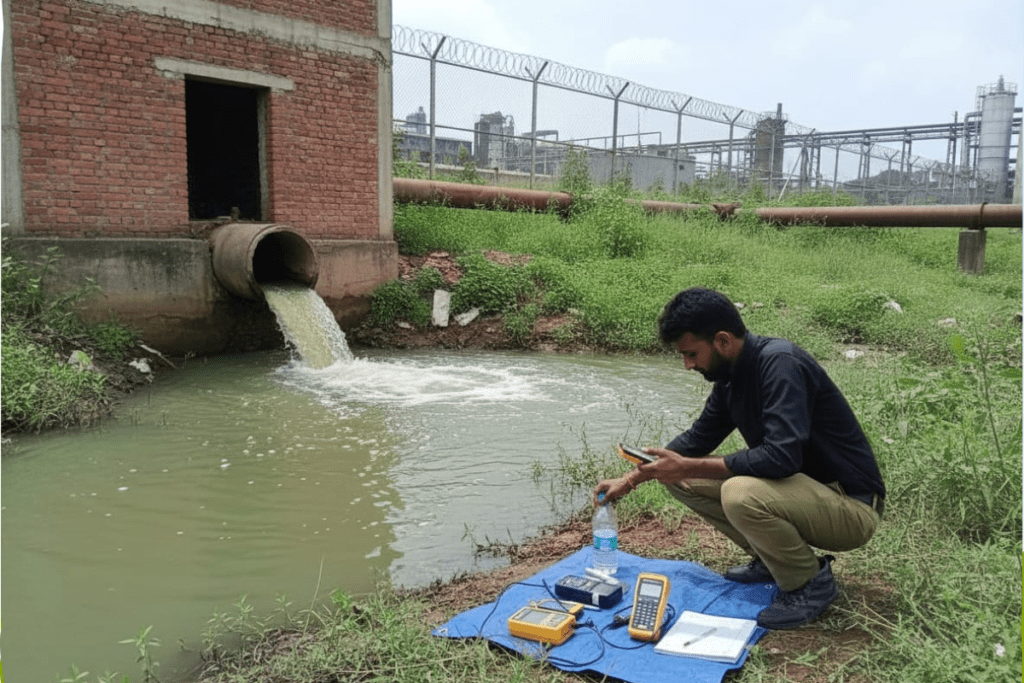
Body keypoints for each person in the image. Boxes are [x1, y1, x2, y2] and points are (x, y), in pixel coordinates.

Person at [593, 287, 885, 630]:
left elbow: (781, 457)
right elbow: (696, 440)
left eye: (691, 354)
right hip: (804, 494)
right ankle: (771, 559)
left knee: (739, 492)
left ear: (722, 340)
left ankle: (808, 584)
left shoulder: (780, 364)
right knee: (678, 477)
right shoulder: (731, 379)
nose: (688, 365)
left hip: (849, 506)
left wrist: (685, 465)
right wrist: (631, 479)